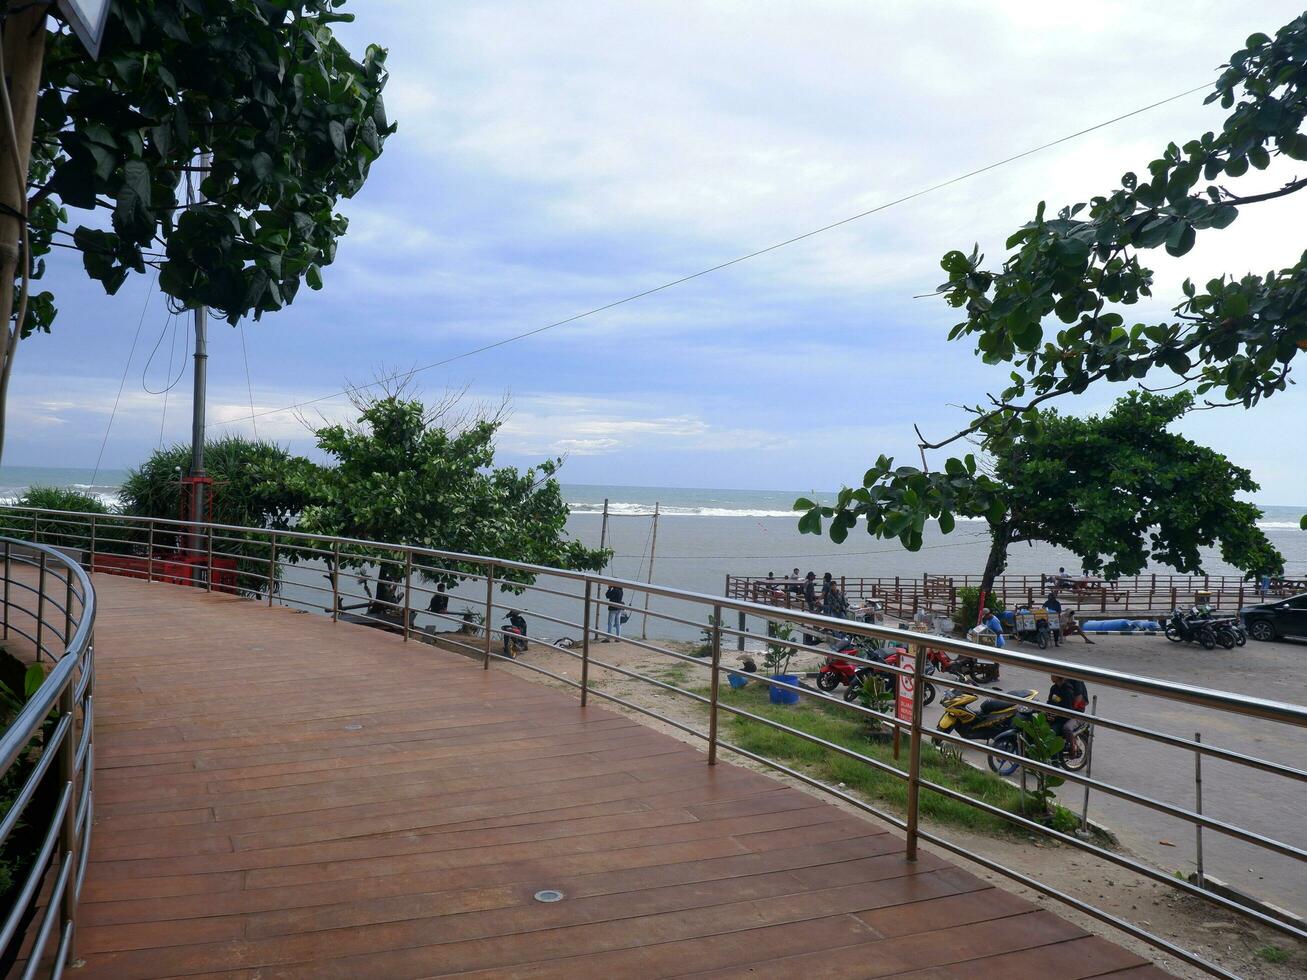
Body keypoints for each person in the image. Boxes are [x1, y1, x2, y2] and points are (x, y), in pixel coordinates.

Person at [1048, 673, 1089, 759]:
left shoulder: (1072, 684)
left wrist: (1066, 712)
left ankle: (1072, 749)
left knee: (1066, 728)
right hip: (1061, 711)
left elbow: (1077, 700)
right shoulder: (1055, 687)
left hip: (1075, 710)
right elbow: (1050, 701)